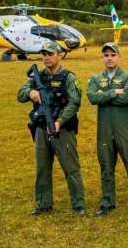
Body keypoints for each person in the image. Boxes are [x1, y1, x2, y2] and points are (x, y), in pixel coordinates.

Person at [17, 41, 85, 216]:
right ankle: (43, 204)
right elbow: (20, 94)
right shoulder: (37, 77)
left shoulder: (69, 78)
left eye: (50, 54)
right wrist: (30, 92)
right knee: (42, 169)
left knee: (71, 168)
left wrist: (59, 121)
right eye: (44, 54)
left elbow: (74, 103)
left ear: (60, 55)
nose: (46, 57)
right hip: (41, 129)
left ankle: (78, 204)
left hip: (63, 130)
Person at [86, 42, 128, 216]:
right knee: (106, 165)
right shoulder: (95, 79)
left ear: (119, 57)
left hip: (124, 128)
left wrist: (104, 95)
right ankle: (107, 202)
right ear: (102, 58)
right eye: (106, 55)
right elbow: (92, 97)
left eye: (113, 55)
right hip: (104, 129)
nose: (110, 58)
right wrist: (115, 92)